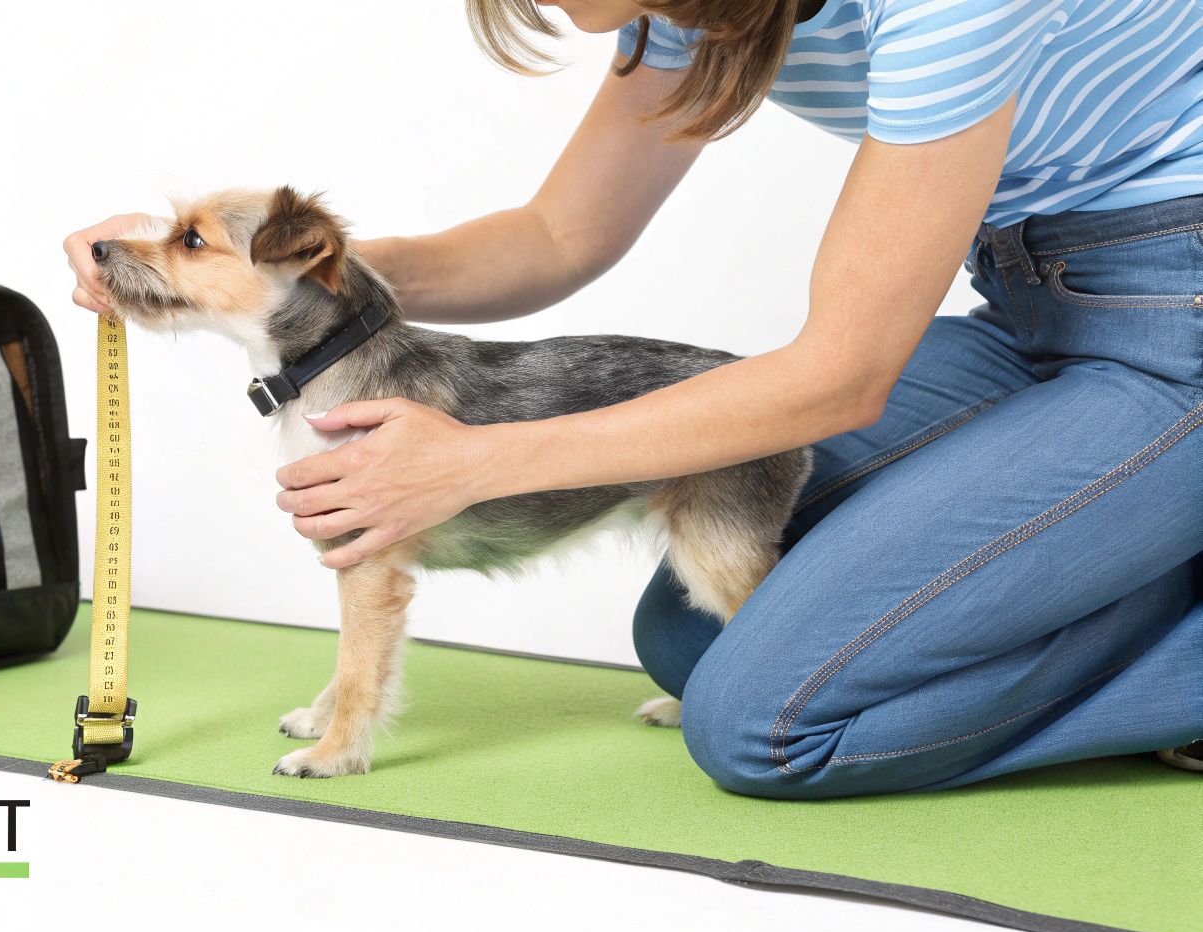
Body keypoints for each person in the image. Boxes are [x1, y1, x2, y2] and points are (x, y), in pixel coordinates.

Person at [64, 0, 1203, 798]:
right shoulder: (683, 10)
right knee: (686, 636)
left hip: (1178, 318)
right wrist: (272, 284)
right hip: (1028, 307)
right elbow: (560, 235)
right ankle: (1117, 546)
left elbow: (841, 373)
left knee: (763, 722)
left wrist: (474, 462)